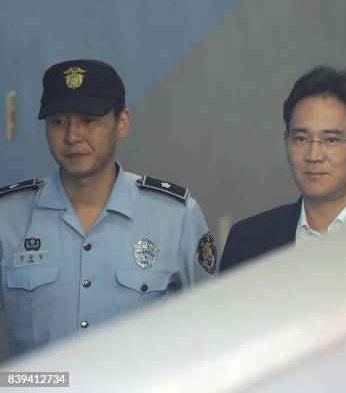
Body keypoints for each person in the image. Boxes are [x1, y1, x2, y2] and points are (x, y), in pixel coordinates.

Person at [0, 59, 217, 357]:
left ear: (122, 123)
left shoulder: (176, 217)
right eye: (58, 122)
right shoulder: (7, 217)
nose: (72, 136)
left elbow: (213, 331)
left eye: (89, 120)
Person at [221, 65, 346, 271]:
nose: (313, 156)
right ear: (286, 140)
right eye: (301, 139)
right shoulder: (249, 241)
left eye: (331, 139)